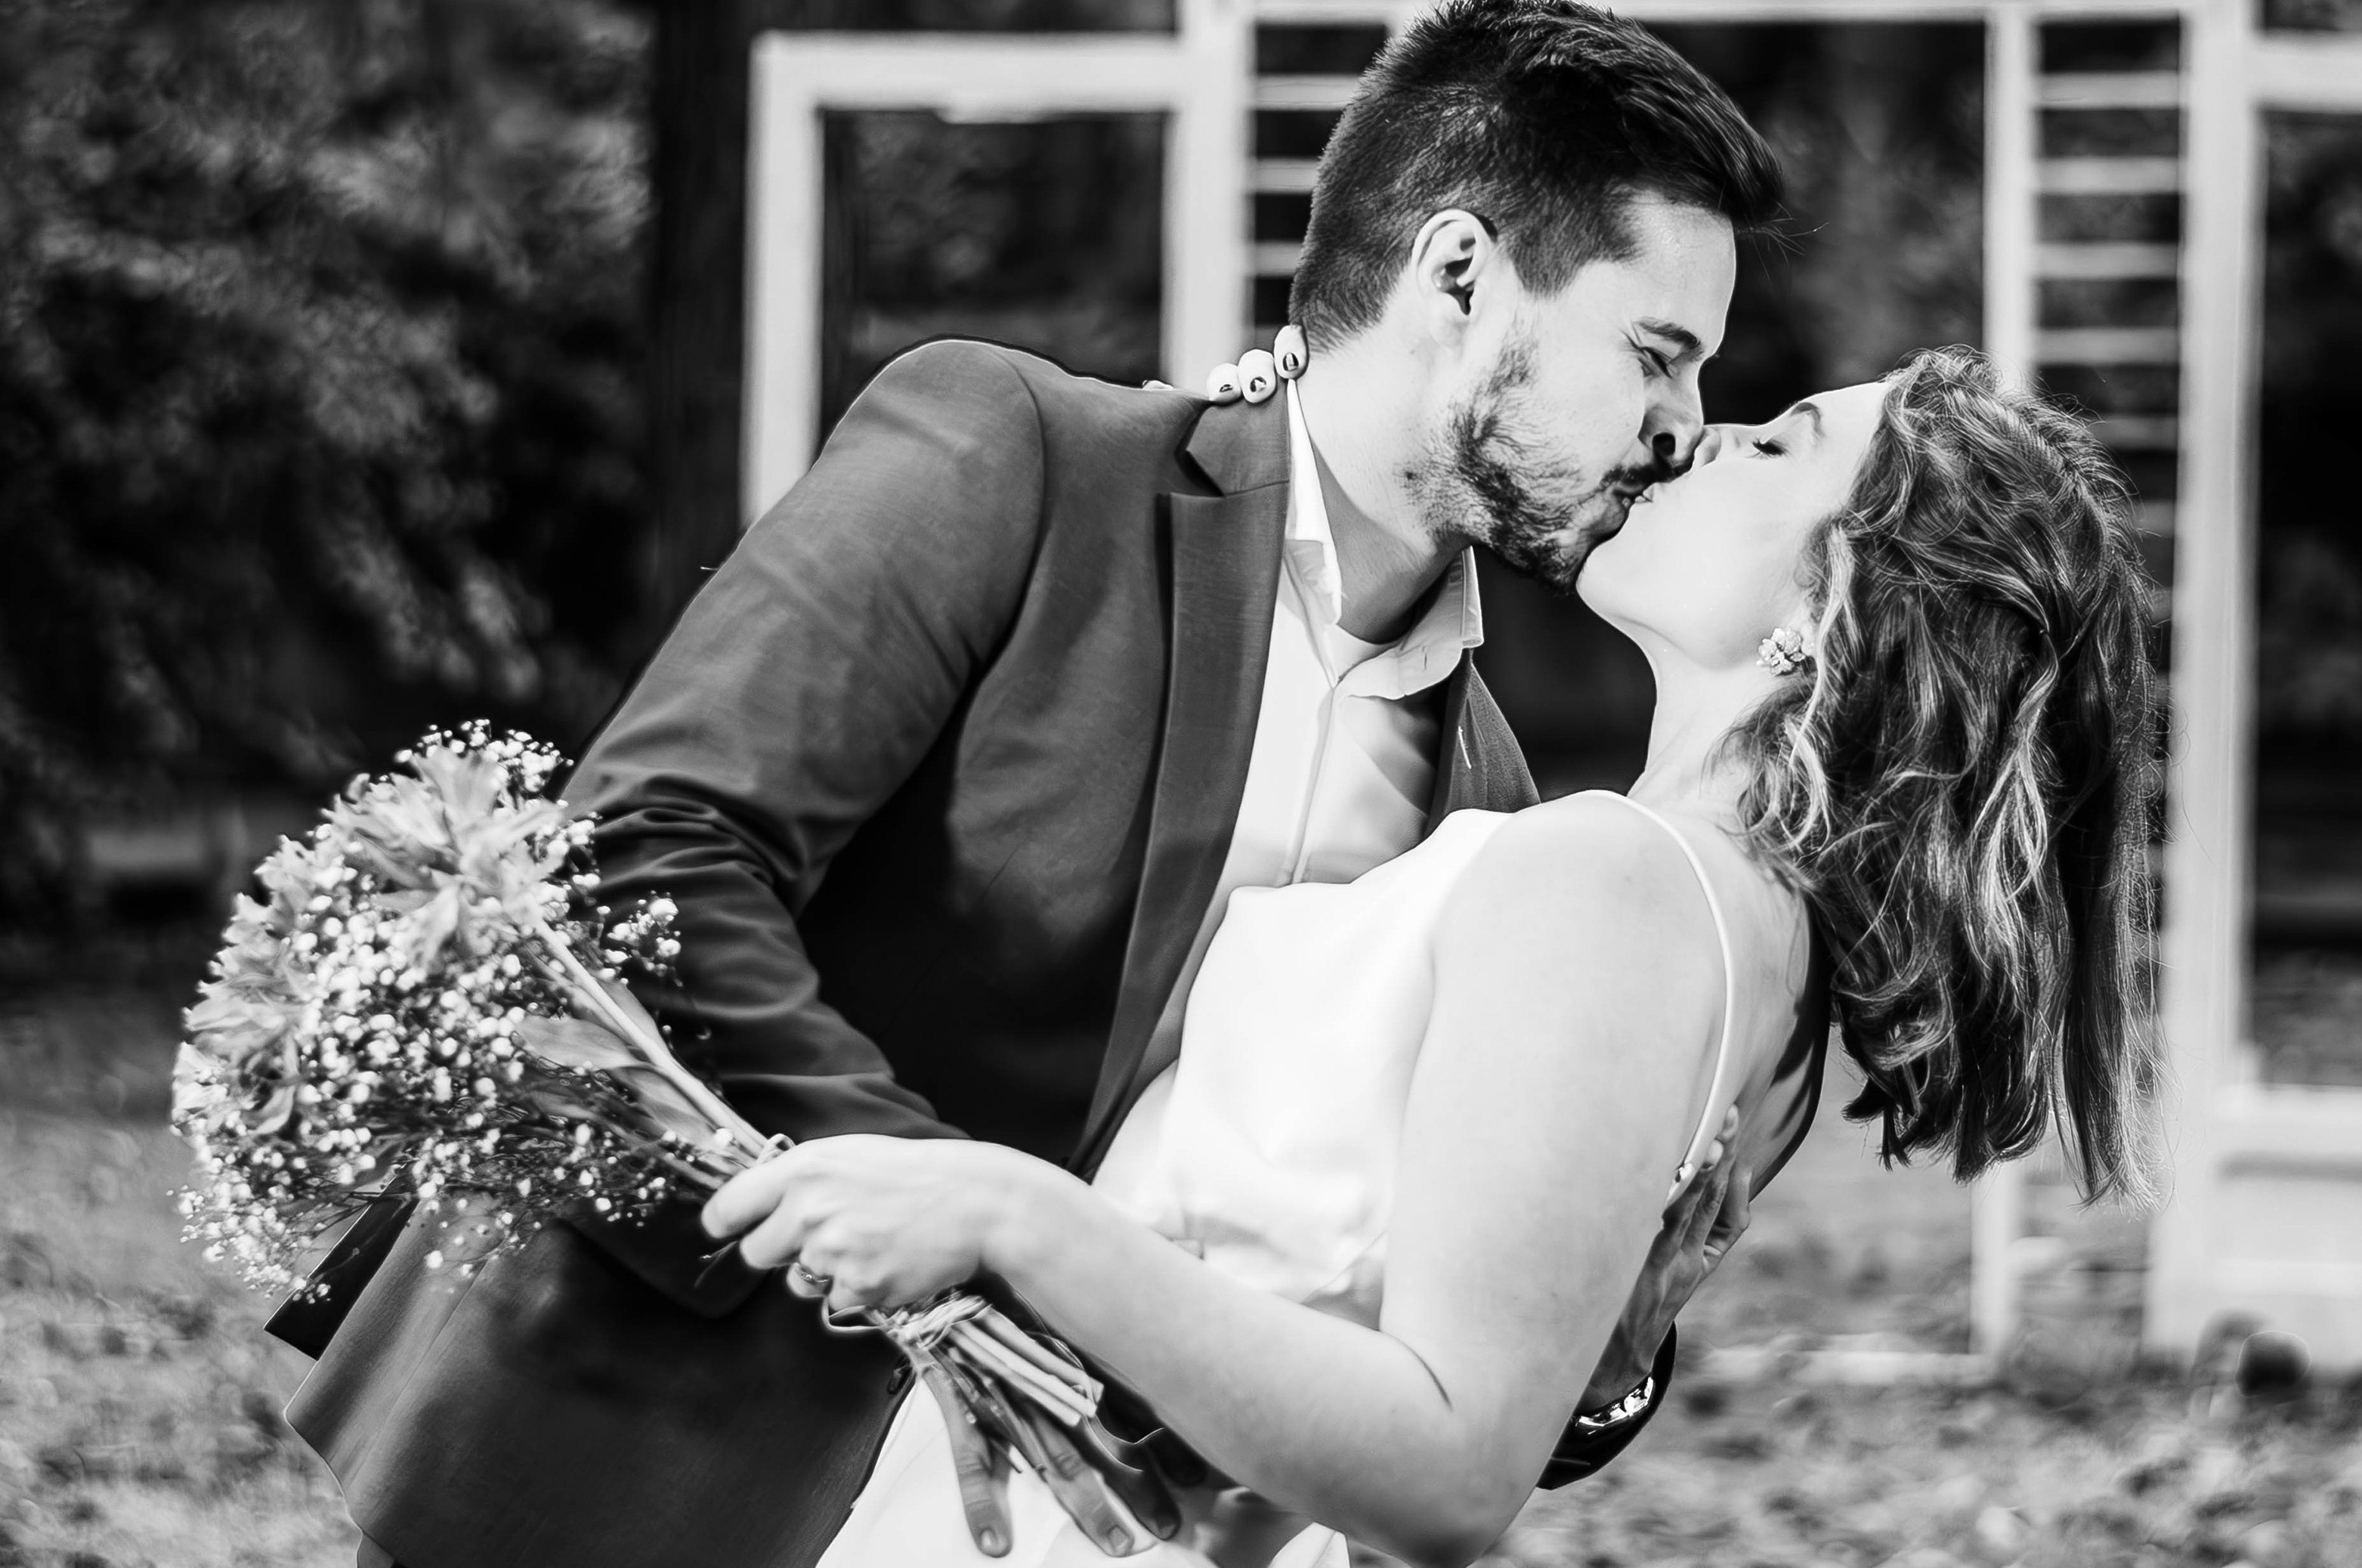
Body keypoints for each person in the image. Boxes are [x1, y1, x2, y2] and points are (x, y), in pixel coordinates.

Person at [278, 0, 1789, 1568]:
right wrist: (986, 1250)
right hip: (650, 1457)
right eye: (1657, 355)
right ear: (1460, 275)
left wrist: (1604, 1357)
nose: (1684, 428)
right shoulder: (1020, 456)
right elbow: (649, 846)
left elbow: (1398, 1342)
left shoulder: (1495, 809)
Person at [708, 345, 2165, 1568]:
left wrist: (1010, 1214)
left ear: (1837, 604)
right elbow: (1494, 1351)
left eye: (1779, 444)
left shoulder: (1616, 884)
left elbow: (1452, 1468)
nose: (1698, 436)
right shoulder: (1763, 966)